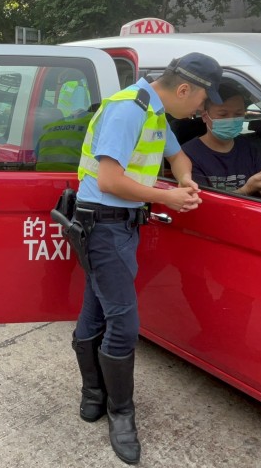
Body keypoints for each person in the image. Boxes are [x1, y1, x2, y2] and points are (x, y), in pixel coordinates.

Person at [72, 52, 221, 465]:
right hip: (103, 225)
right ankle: (121, 414)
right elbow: (109, 179)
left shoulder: (153, 111)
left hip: (117, 225)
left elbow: (178, 158)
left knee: (97, 307)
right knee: (123, 321)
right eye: (201, 101)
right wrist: (167, 196)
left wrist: (186, 181)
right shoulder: (128, 110)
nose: (201, 110)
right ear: (184, 89)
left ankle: (93, 395)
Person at [181, 82, 261, 203]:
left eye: (238, 114)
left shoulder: (247, 147)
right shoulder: (188, 154)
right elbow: (202, 204)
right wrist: (245, 190)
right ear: (205, 116)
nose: (231, 120)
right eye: (223, 114)